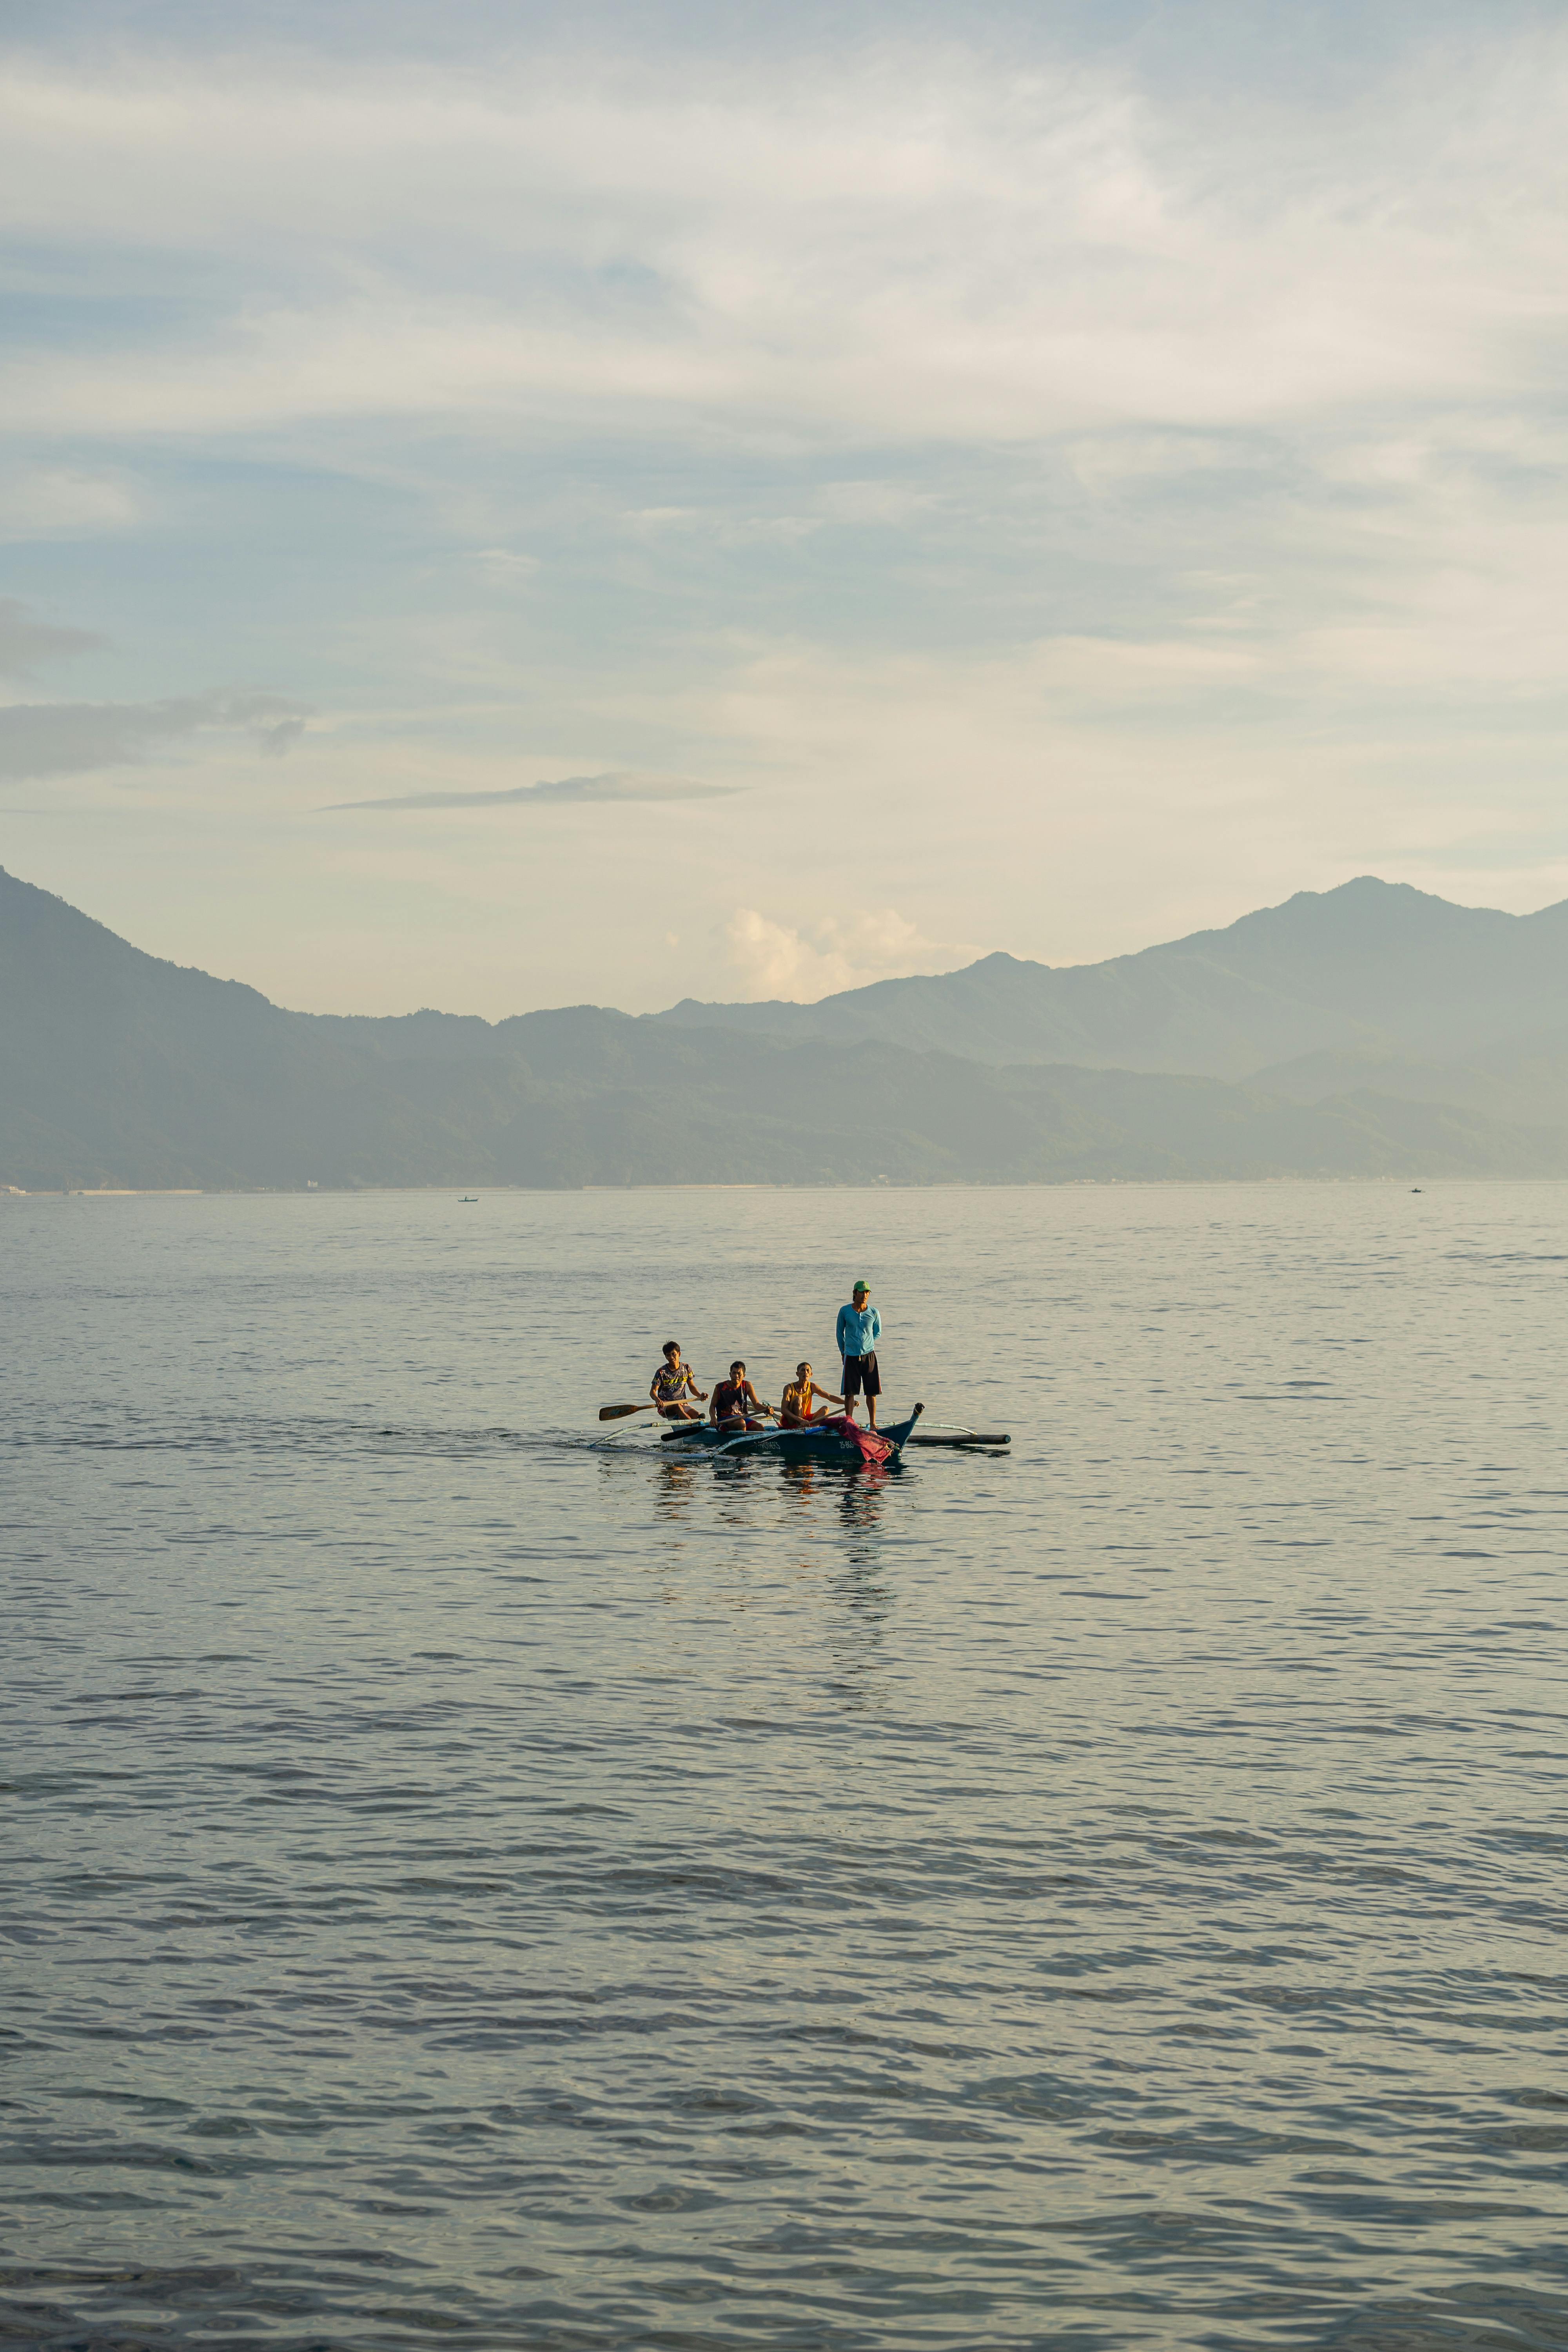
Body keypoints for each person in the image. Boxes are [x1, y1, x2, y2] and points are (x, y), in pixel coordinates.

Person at [835, 1279, 883, 1431]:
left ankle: (873, 1423)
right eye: (862, 1292)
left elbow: (878, 1332)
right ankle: (849, 1422)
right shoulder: (845, 1311)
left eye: (867, 1292)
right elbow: (839, 1333)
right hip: (851, 1356)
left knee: (872, 1392)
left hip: (869, 1355)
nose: (865, 1295)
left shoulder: (874, 1312)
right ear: (855, 1293)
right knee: (850, 1392)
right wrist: (844, 1352)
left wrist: (867, 1343)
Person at [650, 1340, 706, 1422]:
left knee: (697, 1415)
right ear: (666, 1357)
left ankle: (697, 1426)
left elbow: (692, 1387)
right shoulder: (661, 1372)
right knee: (677, 1407)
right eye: (668, 1355)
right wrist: (658, 1400)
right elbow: (653, 1392)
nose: (672, 1358)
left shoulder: (686, 1368)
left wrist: (700, 1396)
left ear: (679, 1354)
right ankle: (691, 1425)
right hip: (666, 1406)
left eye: (674, 1354)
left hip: (683, 1403)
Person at [710, 1360, 769, 1432]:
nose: (736, 1376)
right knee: (742, 1423)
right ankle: (743, 1442)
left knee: (760, 1427)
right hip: (725, 1420)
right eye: (734, 1373)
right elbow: (712, 1406)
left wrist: (767, 1409)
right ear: (730, 1374)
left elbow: (757, 1405)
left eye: (739, 1374)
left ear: (744, 1376)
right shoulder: (720, 1388)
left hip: (743, 1417)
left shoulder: (748, 1386)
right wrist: (713, 1418)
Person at [779, 1361, 844, 1427]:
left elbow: (829, 1397)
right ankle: (800, 1427)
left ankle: (812, 1428)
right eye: (803, 1370)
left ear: (811, 1375)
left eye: (808, 1371)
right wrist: (801, 1420)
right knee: (798, 1399)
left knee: (826, 1409)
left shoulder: (813, 1387)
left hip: (806, 1420)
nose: (806, 1372)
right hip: (791, 1421)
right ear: (797, 1374)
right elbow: (784, 1410)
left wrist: (846, 1403)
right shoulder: (789, 1388)